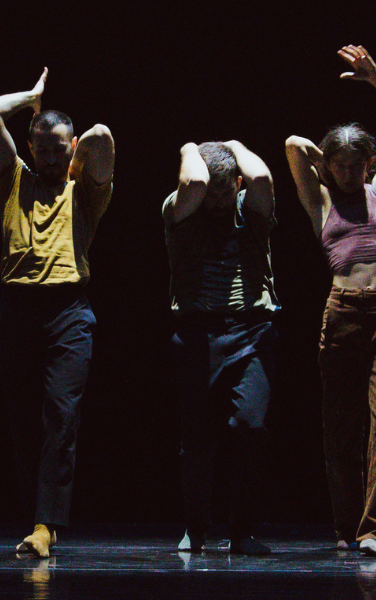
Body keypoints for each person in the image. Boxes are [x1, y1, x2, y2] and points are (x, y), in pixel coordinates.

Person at [283, 45, 376, 557]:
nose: (345, 172)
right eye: (338, 164)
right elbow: (294, 144)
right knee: (339, 428)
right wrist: (324, 160)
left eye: (354, 163)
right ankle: (346, 527)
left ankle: (374, 530)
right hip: (341, 317)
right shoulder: (318, 201)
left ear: (370, 162)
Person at [0, 68, 116, 558]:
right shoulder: (13, 179)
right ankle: (35, 517)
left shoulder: (85, 191)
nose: (52, 157)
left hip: (68, 312)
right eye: (43, 148)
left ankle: (45, 524)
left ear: (71, 147)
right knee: (23, 421)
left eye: (61, 148)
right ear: (30, 146)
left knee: (62, 415)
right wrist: (33, 99)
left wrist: (73, 156)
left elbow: (101, 138)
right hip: (16, 309)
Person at [163, 141, 278, 556]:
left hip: (251, 331)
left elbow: (263, 177)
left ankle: (242, 531)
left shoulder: (252, 208)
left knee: (250, 427)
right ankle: (196, 528)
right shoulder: (180, 208)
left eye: (225, 191)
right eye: (211, 192)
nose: (217, 200)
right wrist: (190, 147)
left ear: (238, 185)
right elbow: (193, 180)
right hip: (197, 334)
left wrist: (234, 145)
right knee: (197, 440)